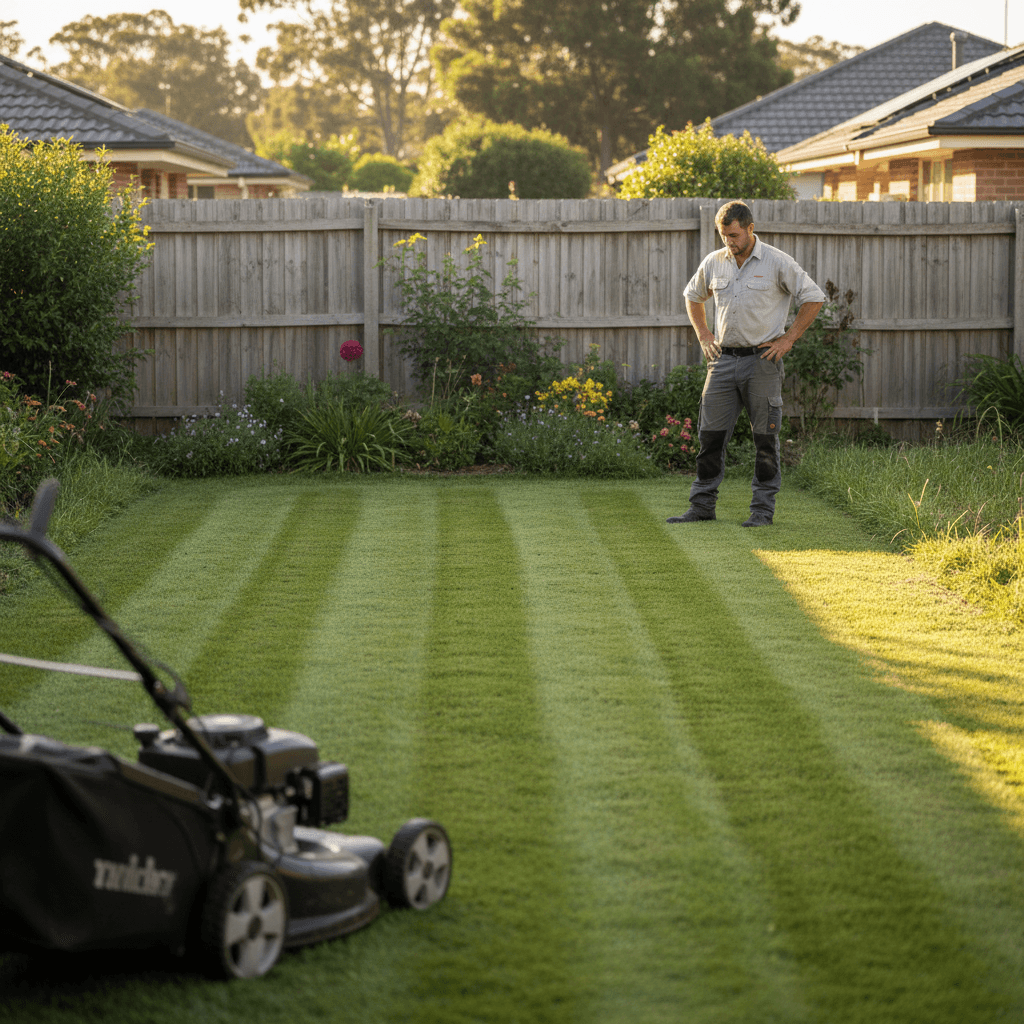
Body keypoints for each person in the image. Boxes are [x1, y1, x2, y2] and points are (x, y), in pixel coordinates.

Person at [668, 201, 824, 527]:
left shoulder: (777, 262)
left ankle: (762, 512)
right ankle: (701, 507)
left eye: (734, 235)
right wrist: (704, 335)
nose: (729, 242)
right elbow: (693, 295)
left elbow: (813, 297)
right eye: (724, 235)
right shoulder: (714, 262)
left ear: (750, 228)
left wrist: (788, 339)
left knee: (765, 440)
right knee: (709, 437)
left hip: (762, 363)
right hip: (723, 362)